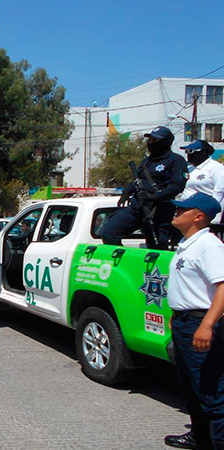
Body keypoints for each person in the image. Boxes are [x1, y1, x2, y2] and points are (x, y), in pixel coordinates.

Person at [165, 192, 224, 450]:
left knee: (211, 388)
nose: (176, 212)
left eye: (182, 210)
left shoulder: (209, 246)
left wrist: (207, 324)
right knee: (190, 385)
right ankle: (199, 437)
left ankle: (218, 441)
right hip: (184, 323)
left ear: (199, 216)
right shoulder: (187, 243)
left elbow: (223, 287)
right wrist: (175, 315)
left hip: (200, 324)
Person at [101, 126, 188, 249]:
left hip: (158, 210)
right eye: (149, 139)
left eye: (154, 140)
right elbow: (139, 180)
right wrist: (127, 190)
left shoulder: (176, 160)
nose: (150, 142)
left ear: (166, 142)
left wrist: (154, 197)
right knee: (109, 232)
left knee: (156, 246)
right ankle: (125, 263)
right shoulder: (146, 161)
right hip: (138, 207)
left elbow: (178, 186)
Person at [179, 139, 224, 238]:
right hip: (188, 215)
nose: (188, 154)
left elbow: (220, 192)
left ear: (202, 152)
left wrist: (214, 218)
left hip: (205, 216)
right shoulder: (189, 169)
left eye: (191, 151)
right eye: (186, 151)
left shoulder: (216, 168)